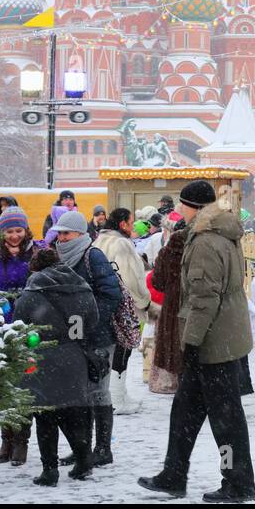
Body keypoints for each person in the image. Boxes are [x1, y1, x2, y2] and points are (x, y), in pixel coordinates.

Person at [138, 180, 255, 502]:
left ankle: (237, 483)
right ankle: (173, 474)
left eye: (182, 204)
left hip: (212, 343)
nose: (178, 210)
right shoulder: (218, 233)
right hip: (218, 336)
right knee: (185, 411)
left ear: (194, 207)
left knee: (226, 419)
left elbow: (204, 299)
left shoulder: (205, 241)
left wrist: (191, 343)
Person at [14, 247, 99, 487]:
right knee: (75, 413)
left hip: (44, 359)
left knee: (46, 416)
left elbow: (19, 326)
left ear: (36, 268)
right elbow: (93, 321)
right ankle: (83, 461)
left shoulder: (32, 293)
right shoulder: (81, 287)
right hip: (76, 358)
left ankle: (49, 471)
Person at [48, 210, 122, 467]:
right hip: (73, 337)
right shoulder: (59, 258)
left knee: (99, 391)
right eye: (60, 233)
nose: (62, 238)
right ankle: (83, 448)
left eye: (67, 233)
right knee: (81, 393)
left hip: (99, 337)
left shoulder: (94, 256)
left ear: (80, 234)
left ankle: (103, 448)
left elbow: (111, 295)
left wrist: (89, 320)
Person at [0, 206, 41, 465]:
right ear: (1, 232)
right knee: (4, 385)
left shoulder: (37, 252)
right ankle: (6, 440)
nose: (14, 236)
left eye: (18, 230)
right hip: (3, 322)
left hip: (30, 321)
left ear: (26, 230)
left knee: (25, 383)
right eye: (9, 231)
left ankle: (22, 442)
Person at [94, 207, 150, 416]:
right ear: (122, 224)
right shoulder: (123, 245)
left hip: (103, 304)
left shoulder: (99, 241)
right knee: (123, 350)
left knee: (112, 350)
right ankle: (117, 398)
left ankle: (118, 394)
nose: (133, 226)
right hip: (124, 306)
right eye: (130, 222)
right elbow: (132, 279)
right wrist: (144, 301)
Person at [147, 214, 187, 394]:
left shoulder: (166, 252)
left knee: (171, 343)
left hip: (171, 305)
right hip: (192, 304)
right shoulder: (197, 249)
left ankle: (172, 381)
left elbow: (157, 282)